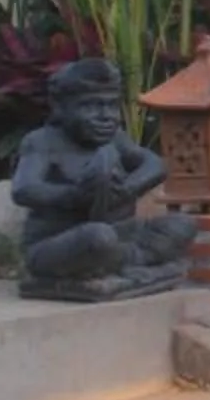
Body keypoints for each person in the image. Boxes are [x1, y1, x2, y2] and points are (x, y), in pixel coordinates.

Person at [12, 57, 197, 292]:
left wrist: (128, 189)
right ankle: (131, 265)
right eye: (90, 106)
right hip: (60, 240)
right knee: (98, 237)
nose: (106, 116)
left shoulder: (115, 138)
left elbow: (155, 164)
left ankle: (119, 264)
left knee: (182, 225)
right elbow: (24, 189)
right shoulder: (42, 142)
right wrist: (75, 195)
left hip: (122, 233)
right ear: (61, 107)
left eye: (111, 106)